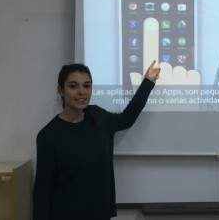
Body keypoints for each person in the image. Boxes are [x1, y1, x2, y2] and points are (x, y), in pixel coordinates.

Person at [32, 61, 161, 220]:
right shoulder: (49, 135)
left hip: (100, 213)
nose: (81, 92)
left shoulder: (99, 117)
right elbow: (42, 190)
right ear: (61, 90)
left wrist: (148, 82)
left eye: (86, 86)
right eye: (73, 86)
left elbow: (127, 118)